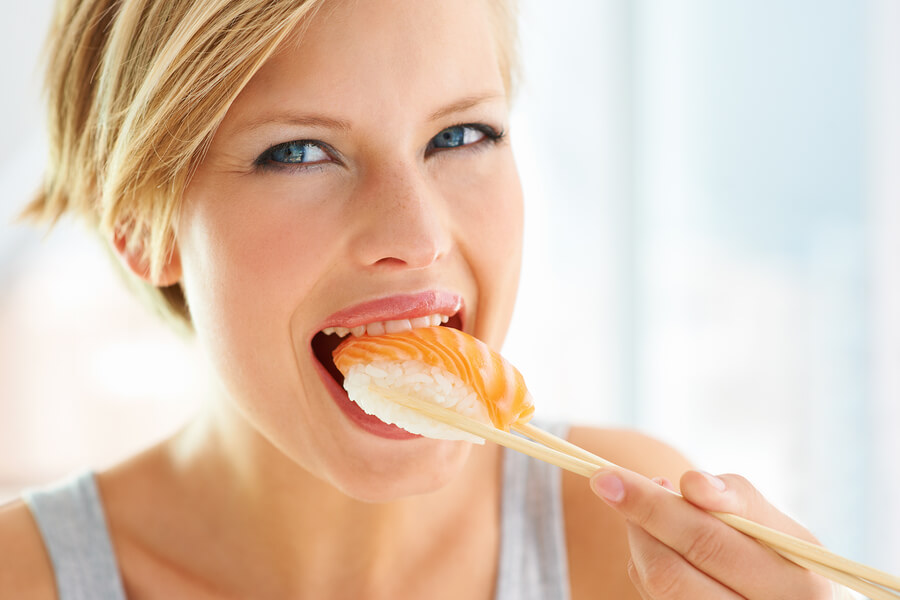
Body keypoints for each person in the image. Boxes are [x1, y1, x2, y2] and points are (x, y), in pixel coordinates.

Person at [0, 0, 836, 598]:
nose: (418, 232)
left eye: (460, 136)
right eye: (299, 151)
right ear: (145, 230)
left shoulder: (630, 547)